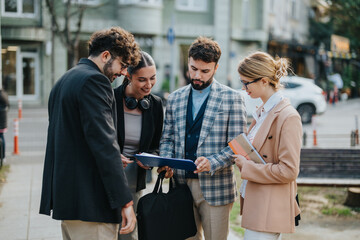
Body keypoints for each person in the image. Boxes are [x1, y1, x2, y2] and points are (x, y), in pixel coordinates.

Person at [39, 27, 141, 240]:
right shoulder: (96, 81)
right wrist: (126, 201)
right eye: (122, 65)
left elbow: (75, 138)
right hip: (91, 205)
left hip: (68, 202)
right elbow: (104, 144)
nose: (123, 73)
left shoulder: (64, 80)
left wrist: (113, 156)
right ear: (105, 56)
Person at [159, 36, 247, 240]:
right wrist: (165, 161)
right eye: (193, 68)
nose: (197, 75)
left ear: (216, 67)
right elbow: (167, 138)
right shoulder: (174, 98)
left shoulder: (232, 99)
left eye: (204, 71)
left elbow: (238, 146)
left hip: (216, 187)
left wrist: (212, 162)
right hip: (179, 186)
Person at [234, 51, 302, 240]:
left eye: (246, 82)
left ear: (264, 81)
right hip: (257, 201)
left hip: (269, 206)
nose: (243, 87)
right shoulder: (263, 112)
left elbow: (289, 170)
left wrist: (247, 166)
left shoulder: (288, 116)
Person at [113, 51, 164, 240]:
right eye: (142, 79)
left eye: (152, 78)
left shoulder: (156, 105)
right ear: (128, 75)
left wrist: (150, 157)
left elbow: (158, 144)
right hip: (109, 174)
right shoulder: (110, 99)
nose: (149, 85)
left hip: (135, 177)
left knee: (128, 232)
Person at [0, 86, 9, 163]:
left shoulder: (0, 95)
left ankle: (2, 156)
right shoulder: (4, 94)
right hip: (3, 121)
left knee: (1, 137)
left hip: (1, 120)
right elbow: (8, 106)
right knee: (2, 137)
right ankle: (3, 157)